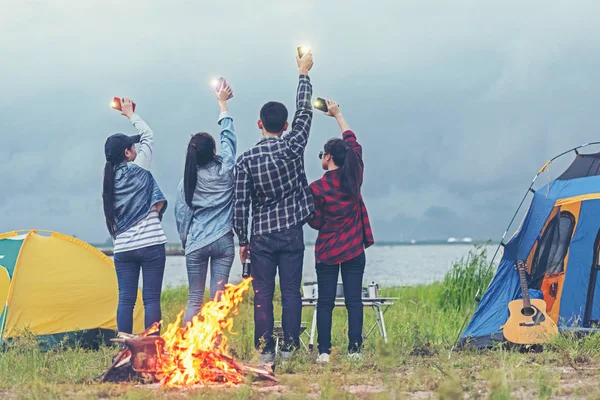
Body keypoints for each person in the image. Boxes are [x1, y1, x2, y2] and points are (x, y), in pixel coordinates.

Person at [234, 51, 315, 362]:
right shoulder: (294, 146)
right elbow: (304, 112)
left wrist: (243, 240)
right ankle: (292, 350)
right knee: (292, 293)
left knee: (263, 296)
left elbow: (240, 204)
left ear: (259, 124)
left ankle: (266, 352)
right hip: (292, 233)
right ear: (285, 125)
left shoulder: (246, 160)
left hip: (262, 237)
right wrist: (303, 73)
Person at [307, 99, 374, 364]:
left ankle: (324, 351)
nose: (321, 158)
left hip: (327, 251)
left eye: (322, 154)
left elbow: (316, 222)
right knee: (354, 300)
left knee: (325, 301)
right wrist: (338, 115)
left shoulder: (317, 188)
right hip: (354, 248)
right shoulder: (353, 179)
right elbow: (354, 145)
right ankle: (354, 350)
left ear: (328, 157)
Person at [102, 98, 168, 335]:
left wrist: (131, 136)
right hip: (151, 244)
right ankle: (152, 351)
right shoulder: (139, 167)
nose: (137, 150)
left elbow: (142, 140)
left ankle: (125, 352)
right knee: (151, 300)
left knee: (126, 301)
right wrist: (130, 114)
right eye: (133, 148)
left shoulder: (109, 181)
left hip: (124, 248)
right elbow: (148, 135)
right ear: (128, 153)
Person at [175, 82, 237, 324]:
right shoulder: (226, 169)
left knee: (194, 299)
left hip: (196, 243)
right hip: (223, 240)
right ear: (213, 151)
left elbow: (182, 216)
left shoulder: (186, 182)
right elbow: (228, 140)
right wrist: (223, 104)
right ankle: (213, 348)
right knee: (218, 299)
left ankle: (189, 348)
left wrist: (186, 241)